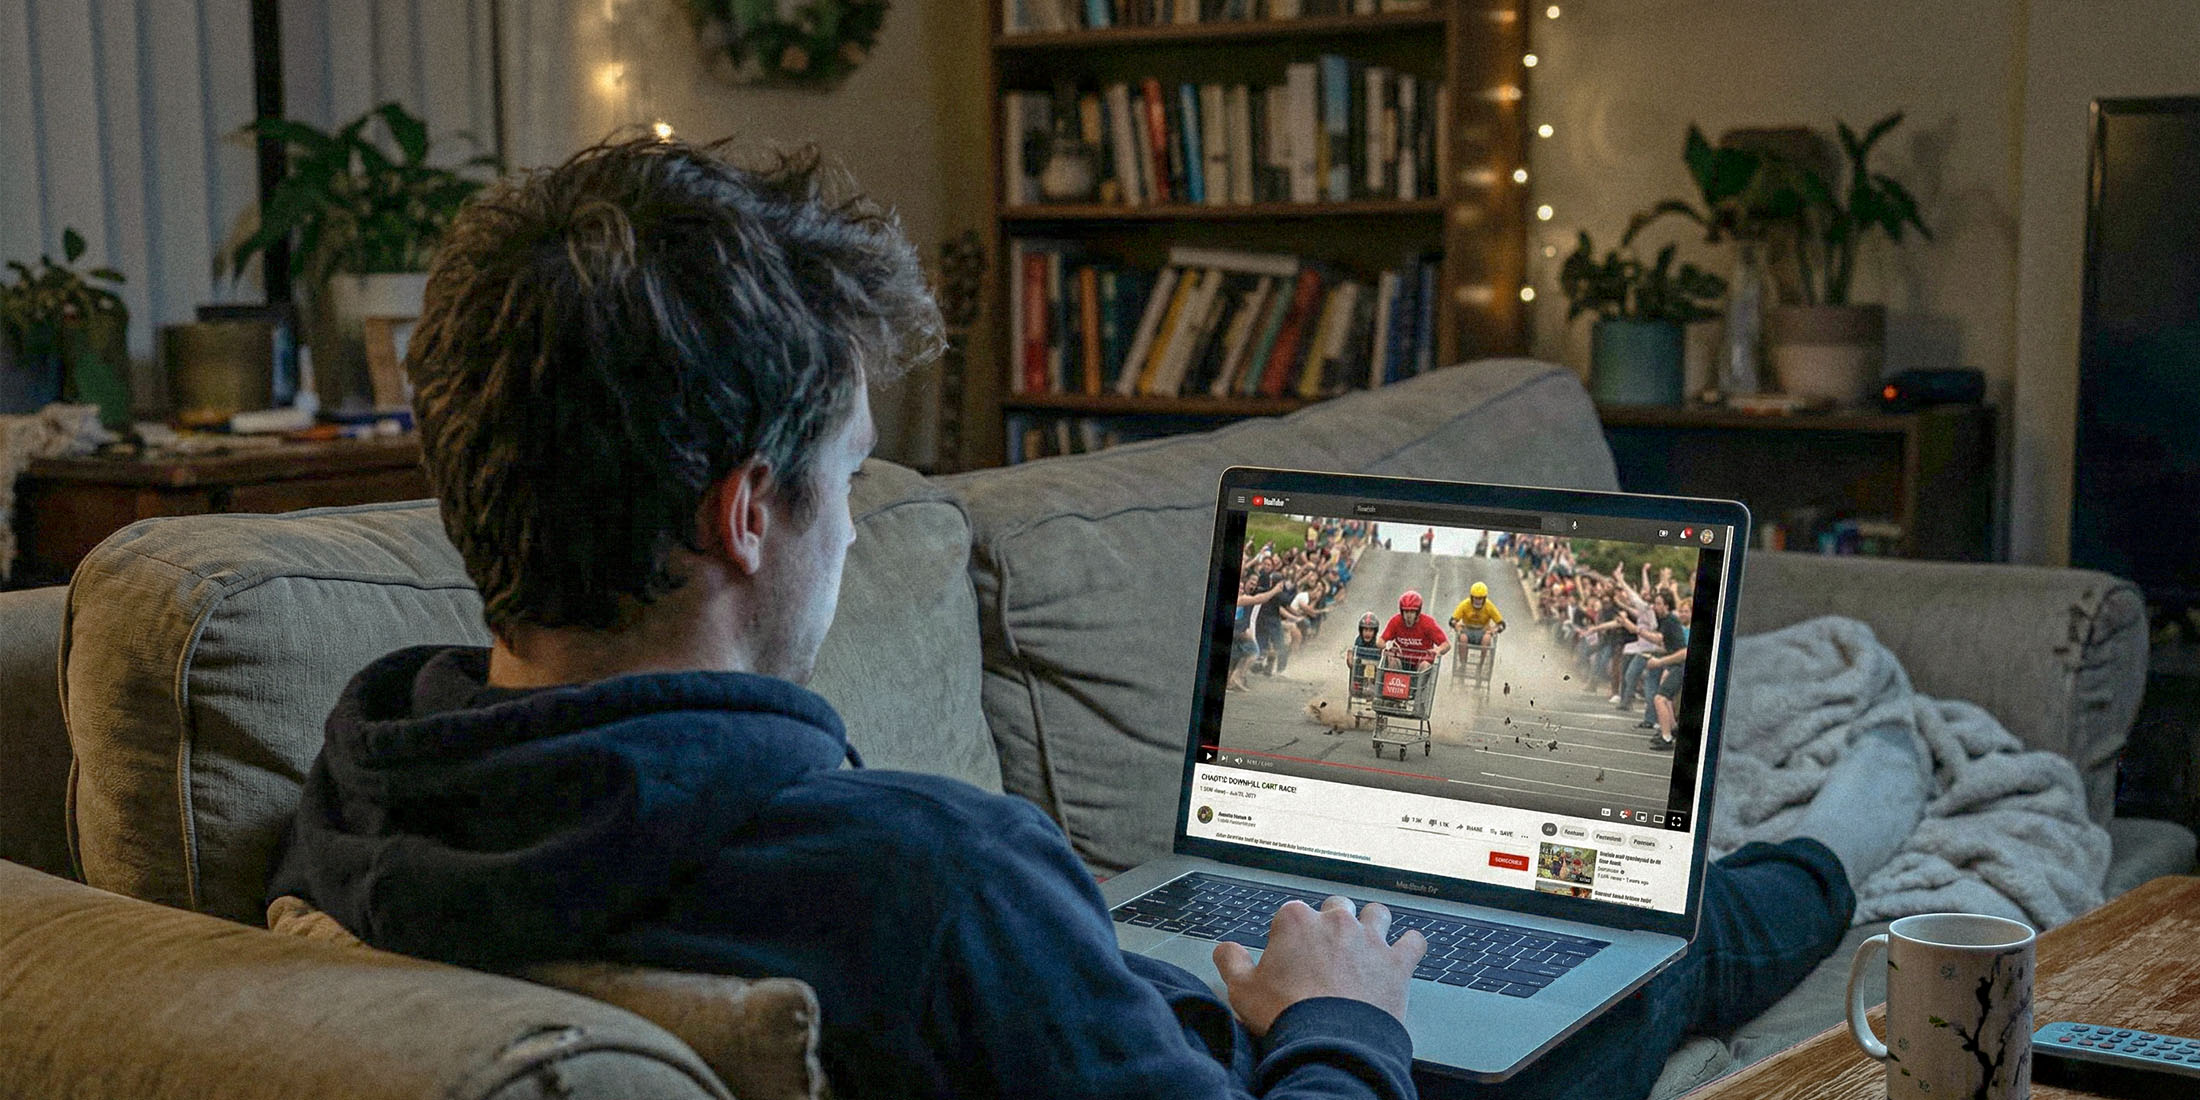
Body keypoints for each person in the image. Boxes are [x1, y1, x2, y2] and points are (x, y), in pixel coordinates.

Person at [261, 134, 1926, 1100]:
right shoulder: (938, 881)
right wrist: (1339, 1019)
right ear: (745, 513)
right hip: (1305, 1057)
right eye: (848, 473)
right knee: (1645, 966)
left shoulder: (362, 789)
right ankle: (1839, 844)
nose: (861, 518)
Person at [1379, 589, 1451, 669]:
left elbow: (1446, 645)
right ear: (1402, 612)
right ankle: (1394, 677)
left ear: (1417, 612)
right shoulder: (1395, 621)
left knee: (1425, 666)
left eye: (1412, 612)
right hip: (1401, 661)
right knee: (1393, 661)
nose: (1409, 616)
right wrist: (1384, 648)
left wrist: (1438, 650)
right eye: (1406, 612)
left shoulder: (1428, 623)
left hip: (1421, 663)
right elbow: (1381, 641)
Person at [1449, 581, 1506, 648]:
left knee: (1486, 639)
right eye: (1475, 598)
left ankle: (1483, 655)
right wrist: (1456, 625)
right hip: (1467, 630)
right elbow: (1452, 620)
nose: (1478, 601)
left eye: (1480, 599)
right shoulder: (1465, 604)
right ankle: (1462, 655)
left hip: (1483, 631)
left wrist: (1495, 629)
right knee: (1463, 638)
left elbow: (1502, 624)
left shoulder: (1489, 606)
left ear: (1484, 598)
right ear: (1471, 597)